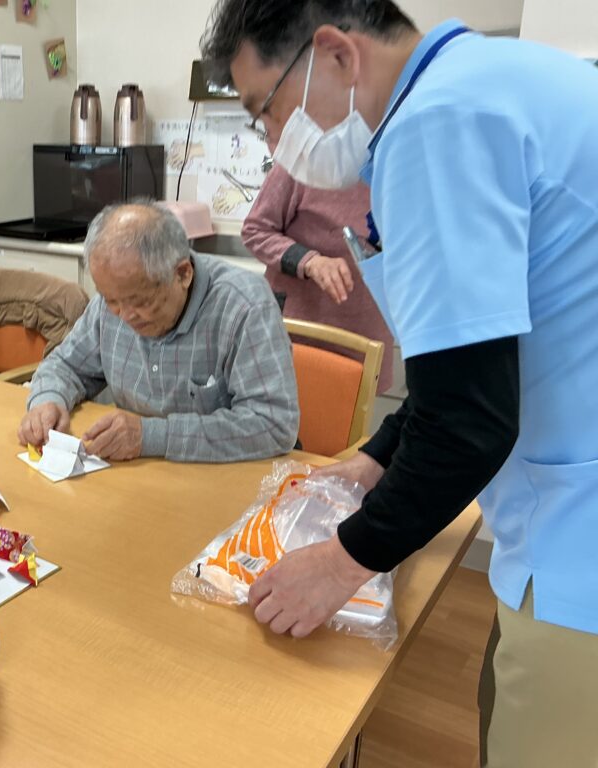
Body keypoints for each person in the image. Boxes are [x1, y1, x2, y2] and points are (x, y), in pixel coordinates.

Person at [201, 1, 598, 764]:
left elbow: (469, 421)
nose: (275, 143)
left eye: (266, 110)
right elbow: (475, 357)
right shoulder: (494, 80)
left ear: (335, 53)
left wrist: (343, 560)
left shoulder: (437, 125)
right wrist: (376, 456)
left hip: (580, 544)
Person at [18, 201, 298, 463]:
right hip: (138, 473)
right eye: (111, 300)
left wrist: (151, 436)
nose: (124, 316)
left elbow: (274, 424)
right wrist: (48, 399)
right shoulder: (114, 299)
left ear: (183, 274)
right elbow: (65, 365)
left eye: (140, 302)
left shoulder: (244, 306)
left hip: (226, 477)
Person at [242, 162, 394, 392]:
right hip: (301, 328)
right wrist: (310, 262)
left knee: (351, 410)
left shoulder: (394, 164)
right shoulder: (300, 160)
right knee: (288, 403)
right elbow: (255, 230)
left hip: (366, 330)